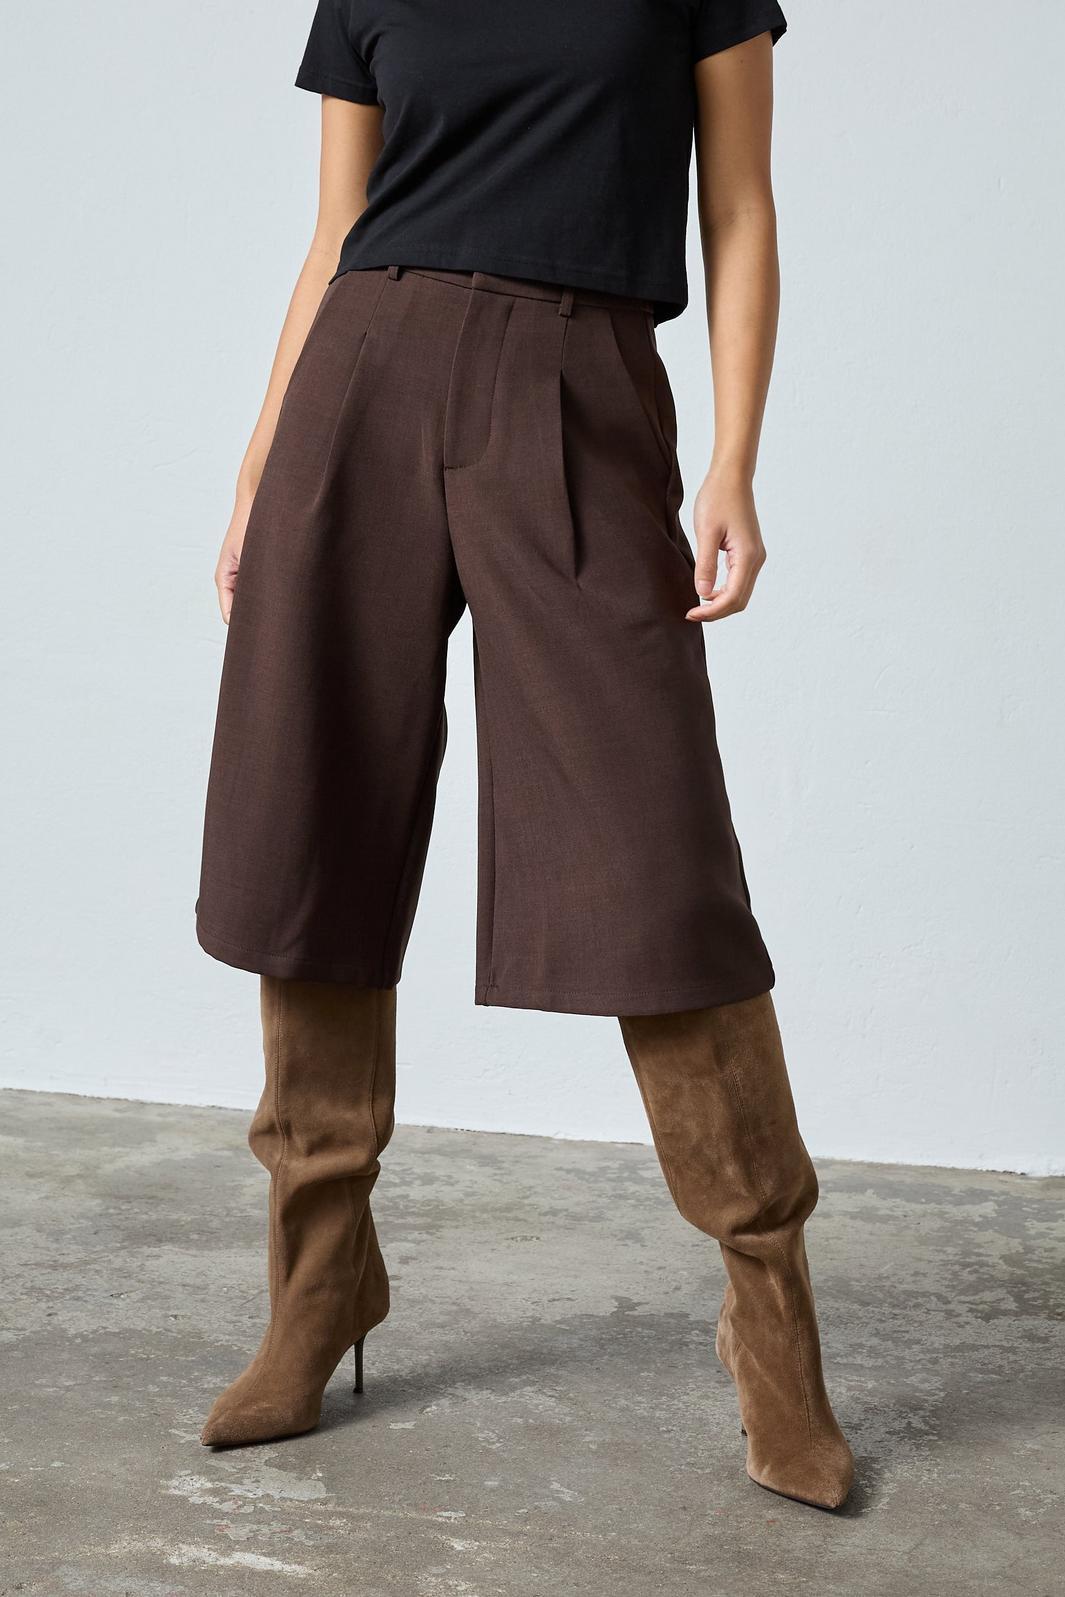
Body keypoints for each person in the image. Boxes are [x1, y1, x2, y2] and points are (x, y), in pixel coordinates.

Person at [194, 0, 854, 1511]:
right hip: (360, 378)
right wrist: (256, 468)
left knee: (652, 860)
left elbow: (739, 208)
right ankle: (318, 1281)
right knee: (311, 822)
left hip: (578, 379)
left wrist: (734, 458)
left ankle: (771, 1319)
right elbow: (336, 233)